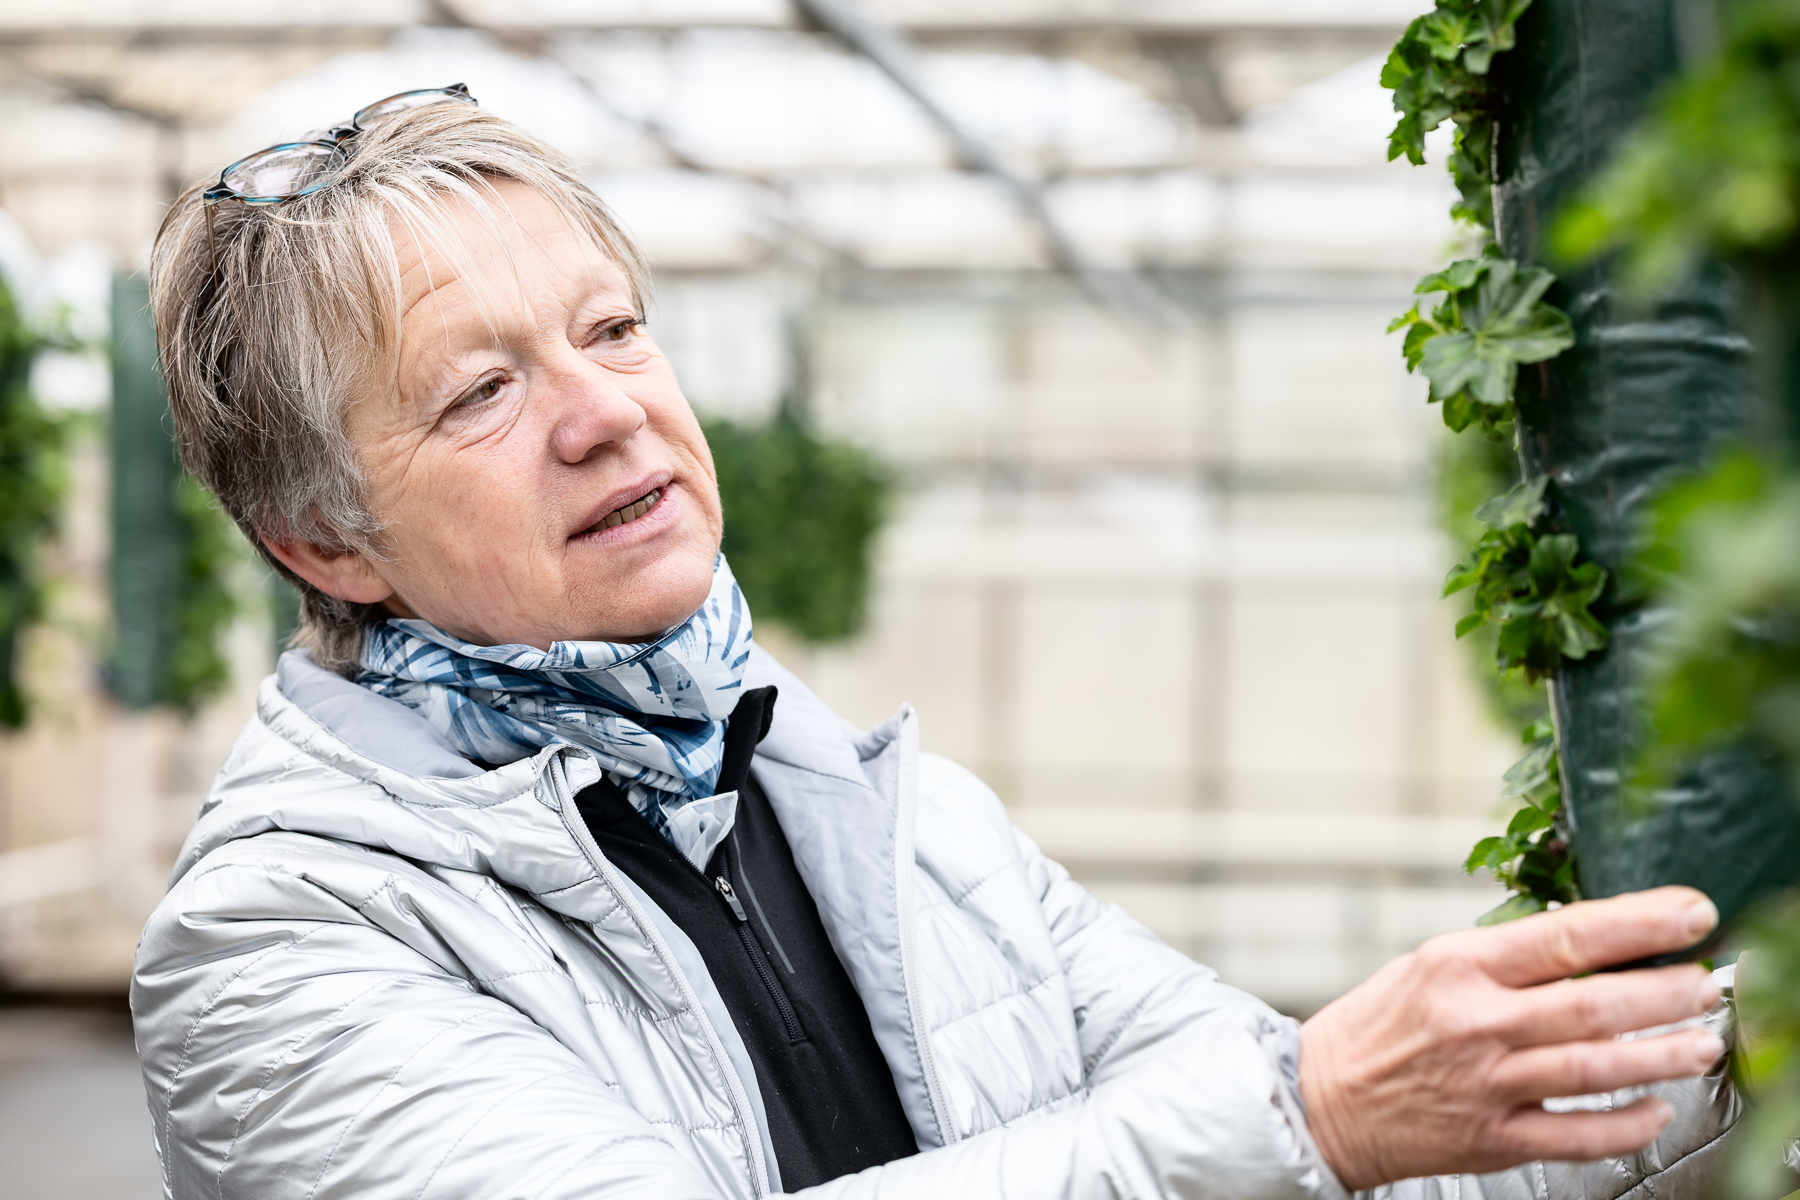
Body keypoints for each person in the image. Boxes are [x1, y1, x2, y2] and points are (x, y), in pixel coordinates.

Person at [132, 85, 1738, 1200]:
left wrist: (1733, 1044)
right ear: (323, 541)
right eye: (482, 393)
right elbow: (1295, 1125)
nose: (607, 413)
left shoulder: (885, 815)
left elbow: (1358, 1151)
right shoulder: (280, 943)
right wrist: (1310, 1111)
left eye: (613, 329)